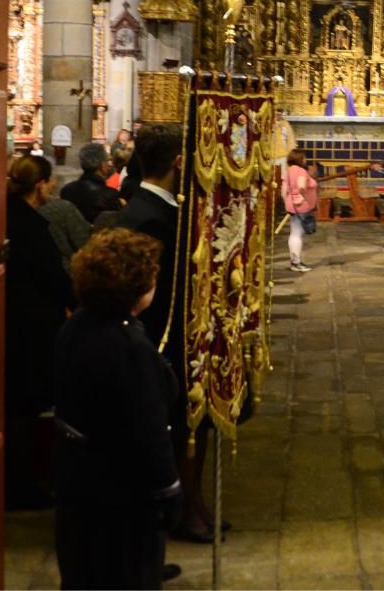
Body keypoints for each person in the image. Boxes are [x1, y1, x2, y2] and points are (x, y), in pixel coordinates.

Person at [53, 229, 181, 589]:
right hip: (120, 495)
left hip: (78, 485)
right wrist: (169, 491)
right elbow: (148, 431)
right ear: (137, 287)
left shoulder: (77, 324)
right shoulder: (130, 347)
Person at [114, 124, 213, 544]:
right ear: (179, 162)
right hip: (162, 342)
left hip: (162, 341)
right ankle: (182, 511)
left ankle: (193, 504)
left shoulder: (146, 206)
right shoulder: (154, 217)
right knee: (179, 428)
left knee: (188, 428)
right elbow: (154, 292)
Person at [5, 155, 76, 510]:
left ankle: (22, 479)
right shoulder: (28, 225)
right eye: (49, 183)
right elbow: (51, 276)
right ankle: (22, 484)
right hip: (29, 328)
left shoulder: (7, 216)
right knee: (25, 406)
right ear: (41, 185)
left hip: (16, 322)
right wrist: (75, 299)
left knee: (21, 405)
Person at [38, 179, 92, 272]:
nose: (54, 184)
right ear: (42, 184)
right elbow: (84, 244)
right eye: (51, 180)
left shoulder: (10, 208)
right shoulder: (63, 208)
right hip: (64, 272)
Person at [61, 142, 122, 222]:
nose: (109, 165)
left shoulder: (66, 190)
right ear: (102, 166)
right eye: (107, 161)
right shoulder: (110, 195)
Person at [282, 149, 318, 272]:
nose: (305, 160)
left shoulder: (288, 171)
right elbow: (301, 185)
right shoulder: (301, 171)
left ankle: (294, 261)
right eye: (304, 158)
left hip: (291, 204)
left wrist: (287, 202)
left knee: (294, 232)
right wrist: (300, 194)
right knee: (298, 233)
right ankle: (296, 263)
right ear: (299, 159)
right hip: (302, 205)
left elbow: (283, 190)